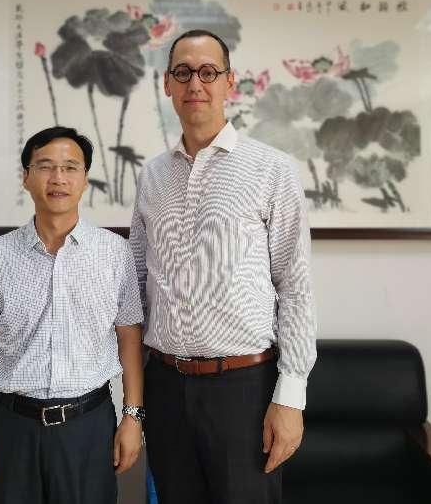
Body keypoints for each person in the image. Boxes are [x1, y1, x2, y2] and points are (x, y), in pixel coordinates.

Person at [129, 30, 317, 504]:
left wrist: (290, 397)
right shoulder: (152, 175)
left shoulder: (272, 168)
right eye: (183, 72)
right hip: (165, 386)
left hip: (244, 389)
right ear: (167, 84)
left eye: (208, 72)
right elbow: (136, 280)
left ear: (229, 82)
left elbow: (294, 286)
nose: (195, 83)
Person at [0, 126, 145, 504]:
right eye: (45, 166)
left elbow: (130, 338)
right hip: (14, 427)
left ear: (85, 180)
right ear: (26, 177)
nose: (58, 177)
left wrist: (133, 416)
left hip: (88, 426)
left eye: (70, 167)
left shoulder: (114, 253)